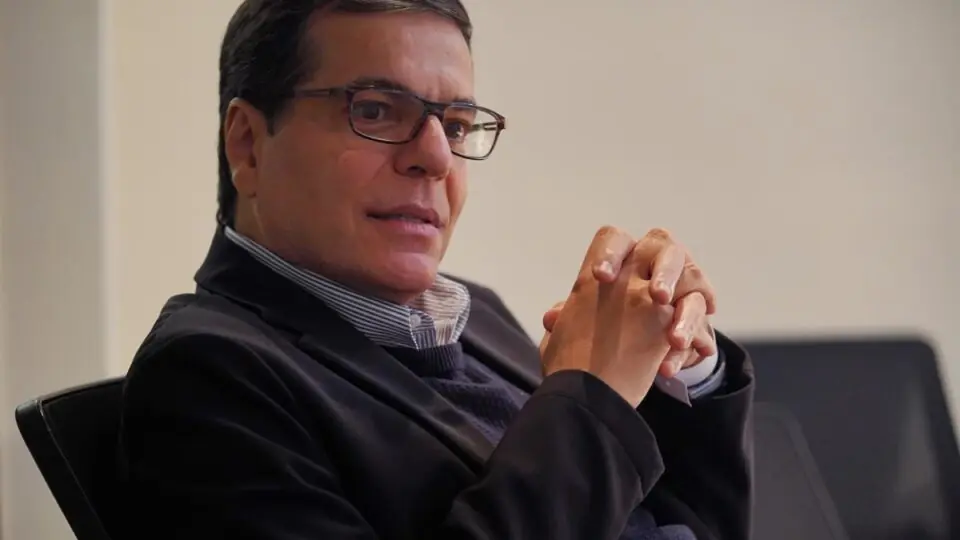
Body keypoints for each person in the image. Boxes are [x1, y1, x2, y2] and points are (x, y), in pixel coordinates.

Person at [117, 1, 754, 539]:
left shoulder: (477, 313)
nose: (436, 157)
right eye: (374, 110)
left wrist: (681, 361)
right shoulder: (207, 375)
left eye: (455, 124)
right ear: (249, 146)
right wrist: (593, 397)